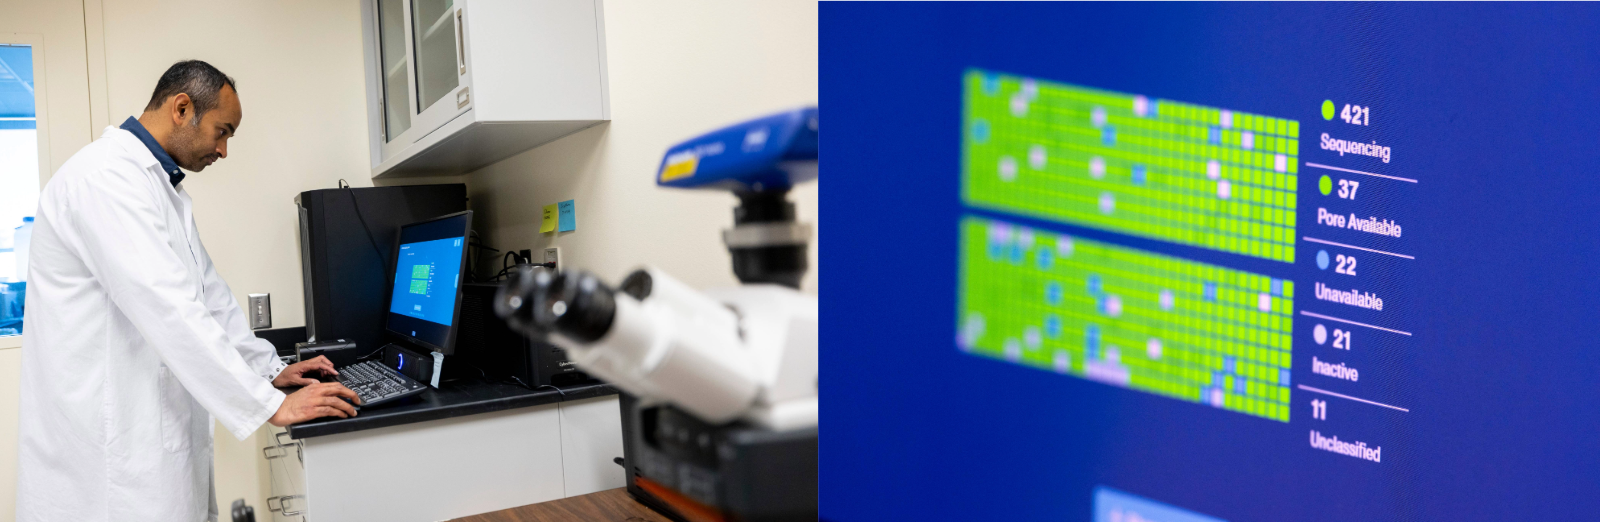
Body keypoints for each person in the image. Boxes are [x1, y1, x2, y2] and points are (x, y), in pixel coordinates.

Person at [16, 60, 362, 522]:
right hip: (106, 461)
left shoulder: (159, 188)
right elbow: (169, 309)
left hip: (142, 441)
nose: (223, 150)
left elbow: (208, 296)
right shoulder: (104, 179)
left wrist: (269, 371)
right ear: (182, 109)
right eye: (222, 132)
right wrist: (270, 406)